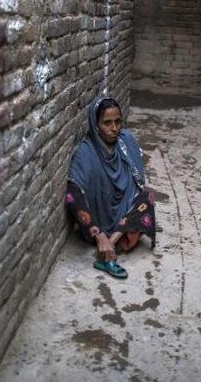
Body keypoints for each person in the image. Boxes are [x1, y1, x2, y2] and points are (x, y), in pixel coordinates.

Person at [65, 96, 157, 279]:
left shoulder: (125, 143)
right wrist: (98, 235)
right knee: (77, 201)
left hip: (123, 218)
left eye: (117, 122)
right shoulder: (86, 151)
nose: (114, 129)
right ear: (95, 124)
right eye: (107, 123)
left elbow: (138, 186)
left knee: (147, 200)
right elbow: (72, 194)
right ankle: (104, 243)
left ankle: (111, 245)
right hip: (97, 221)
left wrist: (108, 240)